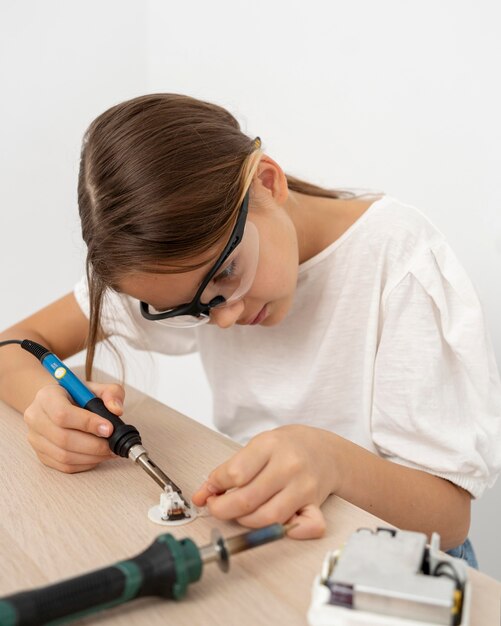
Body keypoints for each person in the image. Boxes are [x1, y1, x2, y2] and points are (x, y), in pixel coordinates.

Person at [1, 94, 500, 568]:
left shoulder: (400, 263)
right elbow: (12, 346)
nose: (222, 318)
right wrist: (44, 403)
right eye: (187, 309)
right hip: (288, 550)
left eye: (226, 275)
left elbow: (450, 518)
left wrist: (331, 461)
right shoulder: (186, 269)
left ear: (267, 182)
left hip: (402, 567)